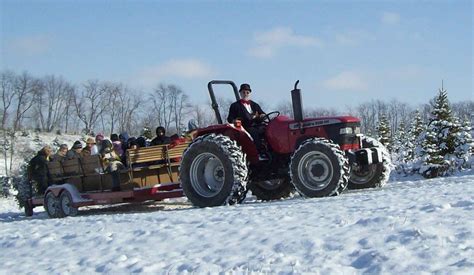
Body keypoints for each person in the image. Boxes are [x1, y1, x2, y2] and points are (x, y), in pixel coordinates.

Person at [227, 83, 266, 154]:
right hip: (244, 127)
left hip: (257, 125)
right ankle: (259, 152)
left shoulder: (255, 105)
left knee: (267, 129)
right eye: (243, 92)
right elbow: (230, 118)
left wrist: (261, 116)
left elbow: (262, 114)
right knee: (254, 132)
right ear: (240, 93)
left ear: (250, 93)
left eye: (247, 92)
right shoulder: (235, 106)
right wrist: (236, 121)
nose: (245, 94)